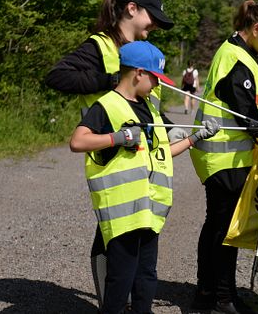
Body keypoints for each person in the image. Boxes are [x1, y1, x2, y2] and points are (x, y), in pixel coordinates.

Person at [45, 0, 186, 308]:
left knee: (130, 239)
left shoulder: (144, 52)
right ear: (132, 9)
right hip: (109, 153)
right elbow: (57, 76)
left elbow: (147, 105)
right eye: (153, 17)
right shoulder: (100, 46)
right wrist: (109, 81)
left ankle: (124, 300)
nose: (155, 26)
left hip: (142, 160)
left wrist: (171, 130)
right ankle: (111, 301)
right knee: (112, 232)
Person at [69, 41, 219, 313]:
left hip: (150, 208)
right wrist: (117, 137)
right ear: (138, 73)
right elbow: (78, 141)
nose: (156, 84)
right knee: (121, 277)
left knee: (146, 274)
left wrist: (196, 138)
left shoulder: (149, 108)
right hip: (123, 211)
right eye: (155, 78)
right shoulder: (108, 105)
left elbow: (159, 152)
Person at [189, 0, 258, 314]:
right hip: (225, 157)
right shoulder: (237, 60)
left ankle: (210, 291)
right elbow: (246, 116)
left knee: (216, 224)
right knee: (225, 230)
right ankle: (222, 298)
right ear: (257, 28)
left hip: (218, 155)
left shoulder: (238, 53)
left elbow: (247, 111)